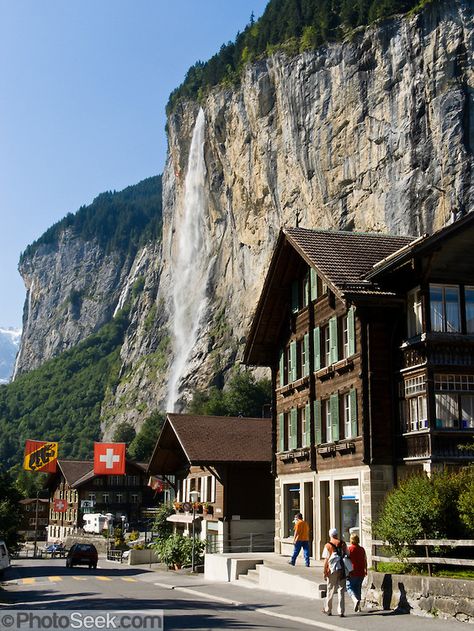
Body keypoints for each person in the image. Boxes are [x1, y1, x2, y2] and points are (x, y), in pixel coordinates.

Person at [322, 528, 347, 617]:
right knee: (341, 589)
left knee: (330, 589)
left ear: (330, 535)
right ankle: (341, 611)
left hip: (331, 569)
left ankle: (328, 610)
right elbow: (347, 555)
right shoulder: (343, 543)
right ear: (337, 534)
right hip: (341, 569)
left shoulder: (328, 545)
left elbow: (326, 560)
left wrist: (325, 571)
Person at [346, 532, 367, 612]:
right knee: (358, 588)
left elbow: (346, 560)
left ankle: (355, 600)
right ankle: (359, 607)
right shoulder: (362, 549)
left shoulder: (350, 549)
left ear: (351, 540)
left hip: (352, 571)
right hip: (361, 571)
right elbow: (365, 560)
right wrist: (365, 570)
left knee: (349, 587)